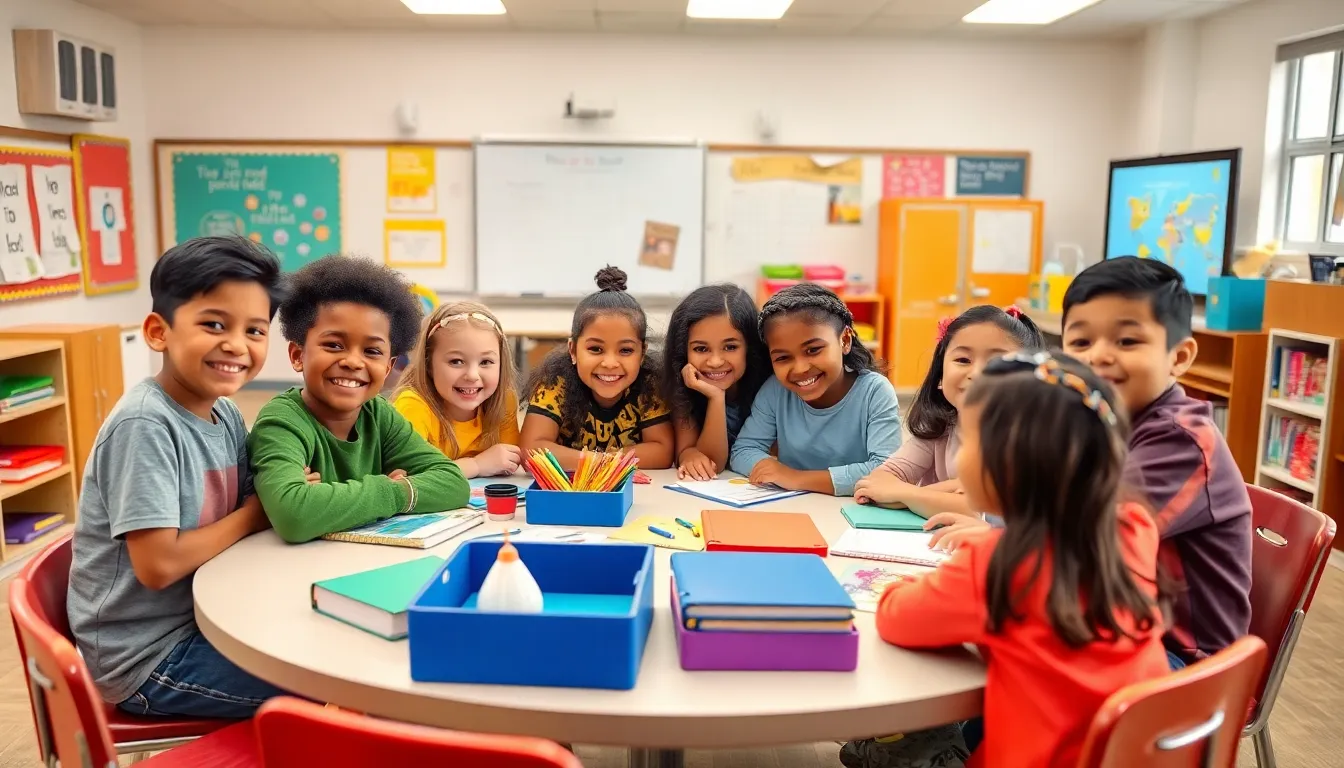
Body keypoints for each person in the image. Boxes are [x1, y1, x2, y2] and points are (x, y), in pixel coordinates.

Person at [854, 351, 1169, 768]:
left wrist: (916, 580)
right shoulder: (1133, 526)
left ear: (1004, 465)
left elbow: (897, 617)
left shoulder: (993, 565)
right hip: (1137, 752)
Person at [67, 235, 290, 718]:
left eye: (255, 331)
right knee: (325, 689)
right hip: (146, 657)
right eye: (214, 324)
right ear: (157, 331)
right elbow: (159, 565)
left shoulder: (226, 413)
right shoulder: (145, 425)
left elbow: (261, 492)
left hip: (208, 618)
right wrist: (253, 517)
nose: (236, 344)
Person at [1060, 256, 1251, 668]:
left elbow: (1088, 539)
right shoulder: (1102, 422)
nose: (1098, 356)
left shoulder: (1179, 439)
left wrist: (998, 536)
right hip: (1117, 618)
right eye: (1080, 343)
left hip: (1183, 660)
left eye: (1127, 341)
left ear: (1179, 357)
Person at [248, 255, 469, 543]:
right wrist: (394, 490)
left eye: (372, 351)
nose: (353, 361)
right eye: (334, 345)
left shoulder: (379, 414)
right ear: (297, 355)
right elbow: (295, 515)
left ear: (388, 367)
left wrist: (338, 498)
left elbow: (453, 483)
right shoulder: (281, 422)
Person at [854, 305, 1042, 516]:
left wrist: (905, 493)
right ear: (940, 376)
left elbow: (981, 511)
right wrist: (947, 492)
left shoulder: (1028, 441)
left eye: (996, 362)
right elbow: (875, 485)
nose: (977, 373)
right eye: (963, 360)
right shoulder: (939, 429)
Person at [728, 283, 902, 496]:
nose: (800, 368)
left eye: (813, 350)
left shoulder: (875, 392)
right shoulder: (776, 390)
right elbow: (743, 451)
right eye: (782, 358)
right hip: (794, 507)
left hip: (853, 512)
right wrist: (774, 471)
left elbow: (887, 472)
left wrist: (794, 477)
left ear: (845, 340)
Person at [519, 267, 674, 471]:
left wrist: (596, 461)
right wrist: (599, 462)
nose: (610, 363)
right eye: (595, 349)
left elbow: (662, 452)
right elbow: (531, 451)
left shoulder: (649, 386)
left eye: (625, 350)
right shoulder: (554, 383)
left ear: (642, 353)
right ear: (573, 350)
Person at [393, 301, 522, 478]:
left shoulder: (503, 402)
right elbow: (409, 477)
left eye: (486, 362)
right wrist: (476, 465)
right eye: (456, 361)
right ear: (429, 364)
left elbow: (508, 461)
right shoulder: (413, 405)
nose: (472, 375)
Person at [660, 284, 771, 480]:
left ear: (750, 347)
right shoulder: (682, 387)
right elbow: (712, 462)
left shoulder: (770, 389)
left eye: (730, 347)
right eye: (701, 349)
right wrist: (715, 398)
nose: (715, 362)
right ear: (683, 351)